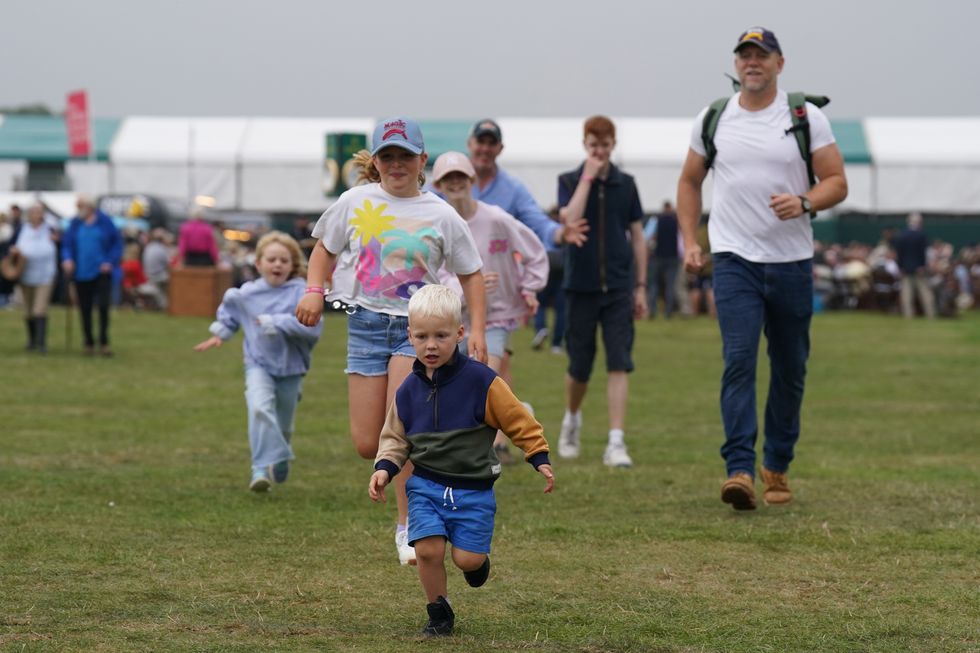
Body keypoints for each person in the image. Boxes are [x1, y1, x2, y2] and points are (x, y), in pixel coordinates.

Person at [296, 117, 487, 566]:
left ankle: (409, 526)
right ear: (376, 161)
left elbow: (471, 272)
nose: (396, 164)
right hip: (363, 325)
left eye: (405, 156)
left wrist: (476, 328)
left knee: (400, 430)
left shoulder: (440, 213)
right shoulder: (355, 201)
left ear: (423, 161)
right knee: (368, 443)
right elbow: (323, 248)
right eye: (388, 156)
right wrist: (312, 289)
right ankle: (422, 504)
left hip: (417, 330)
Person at [677, 27, 848, 510]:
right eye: (745, 55)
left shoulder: (805, 117)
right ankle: (739, 469)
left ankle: (777, 463)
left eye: (762, 55)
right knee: (739, 359)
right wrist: (691, 240)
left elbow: (837, 181)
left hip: (791, 262)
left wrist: (805, 201)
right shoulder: (714, 118)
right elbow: (689, 182)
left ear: (780, 63)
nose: (753, 62)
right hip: (734, 259)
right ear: (737, 64)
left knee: (791, 367)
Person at [368, 284, 554, 637]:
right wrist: (384, 468)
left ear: (460, 332)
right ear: (410, 336)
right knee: (427, 549)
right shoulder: (408, 389)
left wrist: (538, 455)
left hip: (473, 490)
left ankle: (477, 564)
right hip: (425, 485)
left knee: (466, 559)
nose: (431, 345)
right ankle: (439, 614)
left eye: (441, 335)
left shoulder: (482, 381)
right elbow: (395, 436)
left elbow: (518, 419)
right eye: (421, 337)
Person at [432, 151, 549, 464]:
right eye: (448, 178)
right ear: (439, 184)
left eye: (460, 176)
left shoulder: (496, 218)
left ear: (471, 180)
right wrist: (465, 288)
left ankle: (476, 452)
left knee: (481, 377)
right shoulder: (438, 223)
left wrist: (528, 287)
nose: (455, 183)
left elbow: (535, 251)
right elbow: (436, 270)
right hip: (453, 316)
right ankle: (517, 414)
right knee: (454, 381)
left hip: (497, 315)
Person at [195, 231, 322, 491]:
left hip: (291, 367)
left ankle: (281, 453)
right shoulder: (247, 294)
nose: (278, 265)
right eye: (272, 259)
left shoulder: (302, 292)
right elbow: (231, 314)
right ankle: (260, 469)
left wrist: (276, 322)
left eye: (284, 261)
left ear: (292, 265)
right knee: (259, 409)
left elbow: (312, 329)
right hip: (258, 364)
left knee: (283, 425)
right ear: (259, 263)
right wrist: (220, 333)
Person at [556, 115, 647, 468]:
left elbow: (637, 236)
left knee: (619, 361)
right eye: (593, 145)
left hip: (620, 286)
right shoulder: (568, 180)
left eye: (605, 145)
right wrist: (588, 177)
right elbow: (569, 218)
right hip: (580, 286)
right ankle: (572, 420)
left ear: (613, 145)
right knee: (580, 365)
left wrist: (640, 286)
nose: (599, 151)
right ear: (585, 145)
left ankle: (616, 440)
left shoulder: (627, 184)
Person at [61, 195, 123, 357]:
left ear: (89, 207)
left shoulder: (105, 222)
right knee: (85, 308)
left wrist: (109, 261)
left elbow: (116, 244)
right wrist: (67, 259)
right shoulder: (75, 223)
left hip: (102, 273)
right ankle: (88, 342)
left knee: (103, 307)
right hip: (81, 272)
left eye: (80, 206)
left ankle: (104, 342)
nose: (77, 210)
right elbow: (67, 244)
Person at [10, 204, 58, 352]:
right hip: (26, 275)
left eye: (39, 212)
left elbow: (60, 246)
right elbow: (11, 247)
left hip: (45, 275)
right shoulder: (21, 230)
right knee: (29, 310)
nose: (36, 215)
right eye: (33, 212)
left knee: (40, 309)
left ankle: (41, 342)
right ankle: (32, 340)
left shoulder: (50, 229)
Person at [892, 212, 936, 319]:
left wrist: (900, 267)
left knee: (907, 294)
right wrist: (922, 265)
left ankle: (908, 315)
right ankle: (930, 314)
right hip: (919, 269)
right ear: (919, 222)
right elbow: (923, 253)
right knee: (925, 293)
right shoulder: (922, 235)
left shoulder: (902, 235)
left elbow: (899, 254)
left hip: (905, 268)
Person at [646, 200, 680, 319]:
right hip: (672, 257)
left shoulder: (656, 220)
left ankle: (653, 311)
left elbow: (647, 237)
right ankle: (668, 312)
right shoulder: (676, 221)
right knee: (670, 285)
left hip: (658, 256)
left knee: (653, 285)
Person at [142, 228, 172, 310]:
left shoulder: (148, 247)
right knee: (176, 282)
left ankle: (164, 305)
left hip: (149, 275)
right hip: (158, 276)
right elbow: (169, 264)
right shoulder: (161, 249)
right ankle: (167, 306)